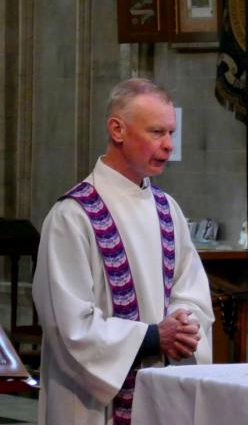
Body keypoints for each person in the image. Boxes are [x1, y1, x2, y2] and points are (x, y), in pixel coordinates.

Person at [33, 79, 214, 425]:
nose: (167, 146)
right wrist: (150, 337)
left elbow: (191, 292)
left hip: (160, 390)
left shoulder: (167, 208)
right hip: (90, 403)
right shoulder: (73, 216)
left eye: (171, 133)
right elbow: (67, 325)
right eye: (157, 132)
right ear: (117, 129)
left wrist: (182, 327)